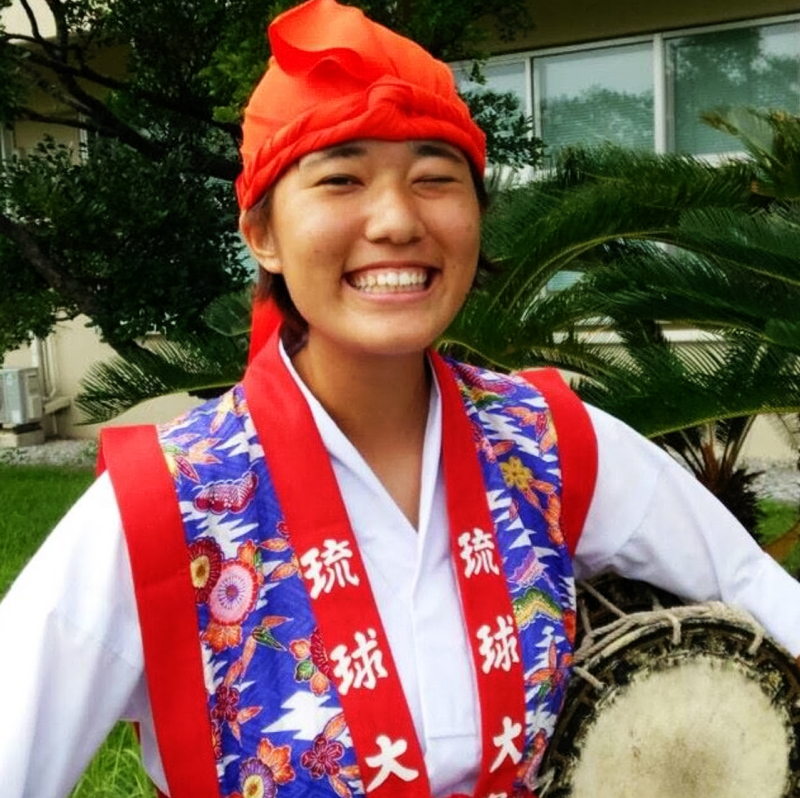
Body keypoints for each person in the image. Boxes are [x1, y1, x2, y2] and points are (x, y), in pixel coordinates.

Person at [1, 1, 800, 796]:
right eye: (340, 179)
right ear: (263, 235)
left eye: (434, 178)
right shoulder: (166, 502)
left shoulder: (546, 443)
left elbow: (753, 586)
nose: (396, 220)